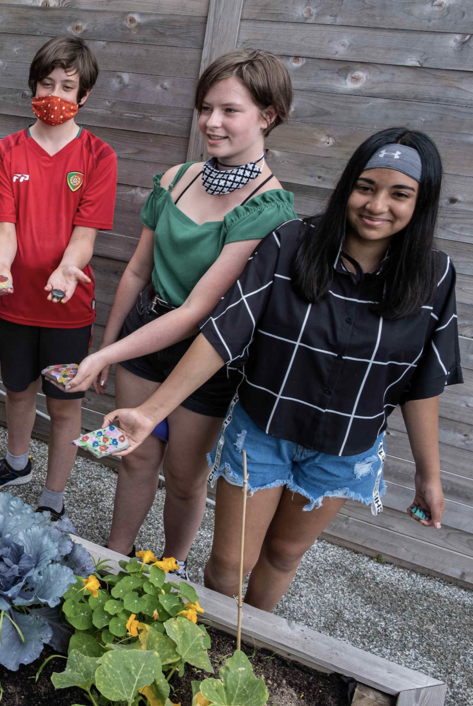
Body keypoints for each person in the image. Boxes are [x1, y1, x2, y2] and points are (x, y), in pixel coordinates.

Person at [103, 128, 460, 611]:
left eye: (400, 194)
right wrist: (150, 412)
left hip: (345, 447)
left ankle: (245, 654)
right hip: (265, 431)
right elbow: (224, 332)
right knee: (230, 563)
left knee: (283, 555)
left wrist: (428, 476)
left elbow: (424, 382)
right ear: (347, 187)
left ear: (422, 202)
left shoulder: (435, 276)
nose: (377, 205)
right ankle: (206, 645)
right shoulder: (291, 242)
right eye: (366, 186)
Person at [65, 50, 297, 573]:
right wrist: (109, 344)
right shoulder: (175, 179)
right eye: (205, 108)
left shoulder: (270, 209)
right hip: (144, 331)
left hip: (207, 353)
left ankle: (168, 572)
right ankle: (112, 558)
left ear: (268, 115)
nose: (212, 122)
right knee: (136, 457)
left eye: (230, 110)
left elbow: (198, 311)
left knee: (187, 476)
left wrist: (108, 355)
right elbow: (136, 273)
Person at [0, 35, 118, 521]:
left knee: (66, 403)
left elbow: (85, 237)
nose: (56, 93)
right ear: (33, 85)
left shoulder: (98, 156)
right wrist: (1, 264)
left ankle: (53, 498)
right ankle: (16, 463)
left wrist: (69, 269)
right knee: (17, 389)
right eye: (47, 82)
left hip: (68, 310)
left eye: (68, 86)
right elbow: (4, 231)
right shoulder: (5, 152)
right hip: (11, 302)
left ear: (84, 95)